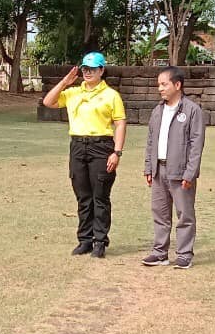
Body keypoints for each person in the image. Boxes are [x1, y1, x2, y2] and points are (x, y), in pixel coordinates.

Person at [41, 52, 127, 258]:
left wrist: (117, 151)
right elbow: (48, 102)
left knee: (100, 196)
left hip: (101, 146)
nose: (88, 73)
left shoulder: (111, 95)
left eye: (93, 69)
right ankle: (85, 240)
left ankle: (100, 242)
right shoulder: (73, 93)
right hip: (78, 145)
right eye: (85, 69)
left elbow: (120, 123)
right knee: (83, 197)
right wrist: (64, 81)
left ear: (101, 70)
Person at [141, 66, 205, 270]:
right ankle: (160, 252)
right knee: (159, 213)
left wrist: (190, 172)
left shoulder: (192, 110)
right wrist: (148, 167)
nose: (160, 88)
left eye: (164, 84)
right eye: (158, 84)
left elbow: (197, 144)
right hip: (159, 169)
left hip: (180, 171)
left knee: (184, 214)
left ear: (177, 85)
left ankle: (184, 254)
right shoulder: (158, 110)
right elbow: (151, 140)